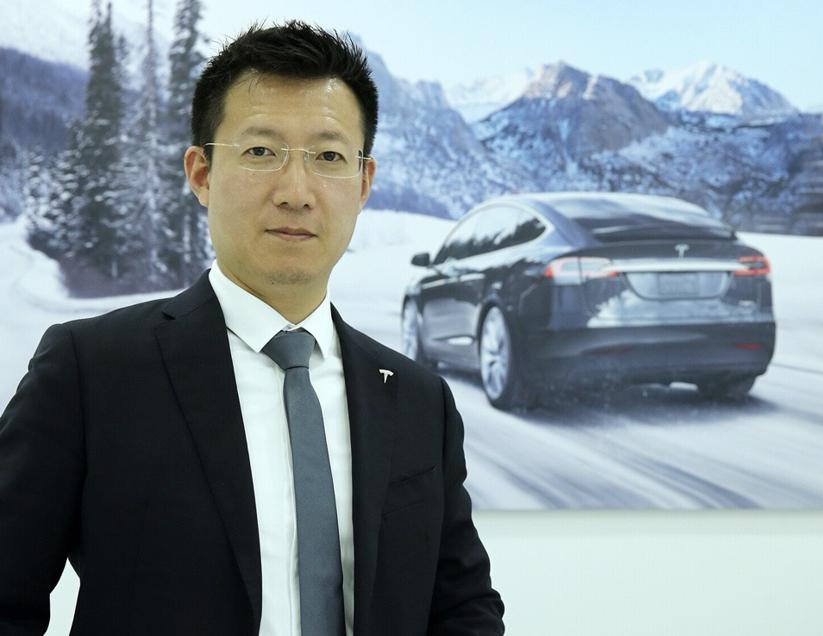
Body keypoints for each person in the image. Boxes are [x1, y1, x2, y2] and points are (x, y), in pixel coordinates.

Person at [0, 20, 504, 636]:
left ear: (364, 183)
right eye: (262, 152)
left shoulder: (419, 400)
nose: (296, 192)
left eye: (329, 157)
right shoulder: (91, 370)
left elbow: (462, 607)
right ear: (201, 174)